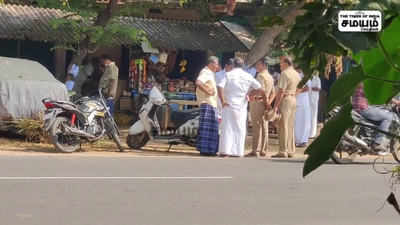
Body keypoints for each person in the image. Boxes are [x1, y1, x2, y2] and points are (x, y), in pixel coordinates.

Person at [218, 57, 266, 157]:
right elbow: (261, 89)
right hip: (241, 105)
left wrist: (223, 101)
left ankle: (225, 151)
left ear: (233, 65)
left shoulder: (228, 74)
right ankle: (237, 151)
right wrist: (250, 94)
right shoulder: (247, 76)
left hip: (229, 104)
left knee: (227, 127)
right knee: (240, 128)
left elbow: (220, 86)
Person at [272, 56, 301, 158]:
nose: (280, 65)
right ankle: (290, 150)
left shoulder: (285, 73)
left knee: (283, 126)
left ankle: (283, 150)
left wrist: (275, 106)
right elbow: (300, 88)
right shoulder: (296, 73)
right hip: (293, 99)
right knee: (290, 125)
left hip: (285, 100)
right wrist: (293, 94)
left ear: (286, 63)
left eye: (281, 63)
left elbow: (281, 91)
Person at [352, 83, 393, 154]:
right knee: (388, 117)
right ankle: (377, 143)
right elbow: (381, 96)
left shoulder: (358, 82)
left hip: (355, 107)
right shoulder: (368, 84)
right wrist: (397, 102)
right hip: (363, 109)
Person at [246, 58, 275, 157]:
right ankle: (263, 149)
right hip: (264, 102)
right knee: (264, 126)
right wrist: (268, 103)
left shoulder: (261, 75)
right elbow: (273, 93)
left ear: (263, 65)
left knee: (257, 126)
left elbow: (259, 90)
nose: (256, 67)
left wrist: (250, 94)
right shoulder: (270, 77)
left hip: (258, 101)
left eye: (258, 65)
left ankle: (256, 149)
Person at [195, 56, 220, 156]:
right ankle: (205, 150)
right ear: (211, 64)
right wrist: (208, 91)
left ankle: (209, 149)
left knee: (211, 128)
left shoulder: (211, 73)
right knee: (207, 128)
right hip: (207, 102)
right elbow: (198, 82)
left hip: (211, 103)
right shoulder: (205, 72)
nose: (217, 66)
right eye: (216, 64)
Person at [294, 69, 311, 147]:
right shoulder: (293, 75)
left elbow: (307, 88)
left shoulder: (305, 76)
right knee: (296, 122)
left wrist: (297, 91)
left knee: (304, 121)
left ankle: (303, 141)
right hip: (296, 101)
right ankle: (296, 140)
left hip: (304, 101)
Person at [309, 72, 321, 138]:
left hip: (314, 99)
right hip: (308, 99)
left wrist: (310, 88)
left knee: (313, 116)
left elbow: (319, 88)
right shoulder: (307, 78)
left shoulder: (317, 78)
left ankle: (312, 133)